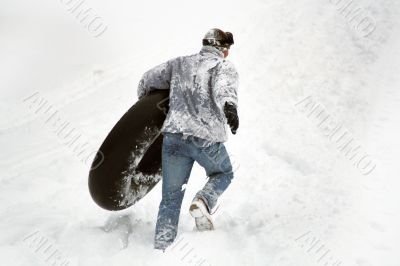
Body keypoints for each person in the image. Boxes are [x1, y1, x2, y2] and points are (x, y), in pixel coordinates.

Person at [137, 28, 239, 251]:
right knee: (224, 173)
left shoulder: (178, 64)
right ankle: (203, 201)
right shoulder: (222, 66)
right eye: (227, 49)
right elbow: (224, 89)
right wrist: (230, 107)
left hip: (174, 138)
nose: (227, 54)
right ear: (222, 48)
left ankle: (162, 248)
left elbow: (146, 80)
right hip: (206, 139)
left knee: (170, 198)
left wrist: (145, 110)